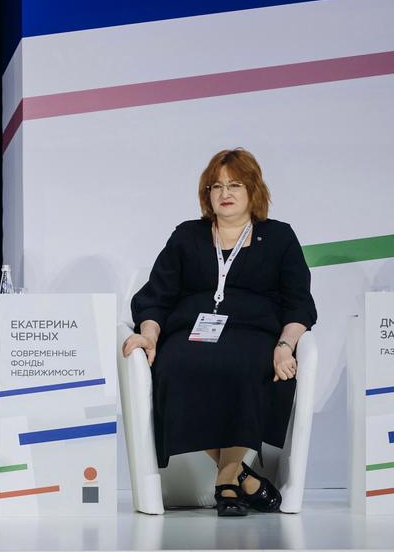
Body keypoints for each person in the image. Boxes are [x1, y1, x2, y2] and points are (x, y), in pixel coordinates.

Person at [122, 148, 316, 517]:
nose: (225, 193)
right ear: (207, 193)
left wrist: (285, 345)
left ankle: (226, 481)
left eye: (235, 185)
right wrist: (149, 334)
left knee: (244, 367)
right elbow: (156, 296)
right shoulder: (187, 235)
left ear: (253, 190)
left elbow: (299, 303)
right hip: (190, 333)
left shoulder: (278, 237)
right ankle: (241, 477)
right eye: (217, 186)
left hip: (253, 333)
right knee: (174, 367)